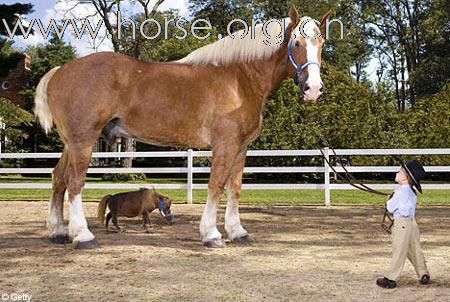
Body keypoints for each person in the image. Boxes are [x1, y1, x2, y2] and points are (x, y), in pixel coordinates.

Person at [376, 159, 430, 289]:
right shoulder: (411, 192)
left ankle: (391, 278)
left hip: (401, 224)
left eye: (400, 171)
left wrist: (389, 200)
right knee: (415, 249)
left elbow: (389, 207)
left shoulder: (400, 192)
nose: (397, 172)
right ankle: (423, 273)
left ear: (406, 177)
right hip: (412, 223)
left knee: (399, 250)